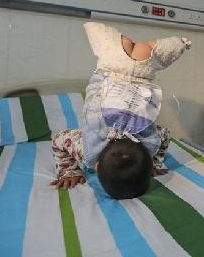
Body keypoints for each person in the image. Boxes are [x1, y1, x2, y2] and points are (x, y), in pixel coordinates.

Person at [50, 22, 191, 199]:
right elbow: (59, 139)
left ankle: (178, 43)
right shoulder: (86, 150)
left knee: (145, 50)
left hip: (142, 75)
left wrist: (155, 162)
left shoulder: (151, 144)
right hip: (110, 71)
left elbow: (165, 134)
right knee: (106, 38)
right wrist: (69, 170)